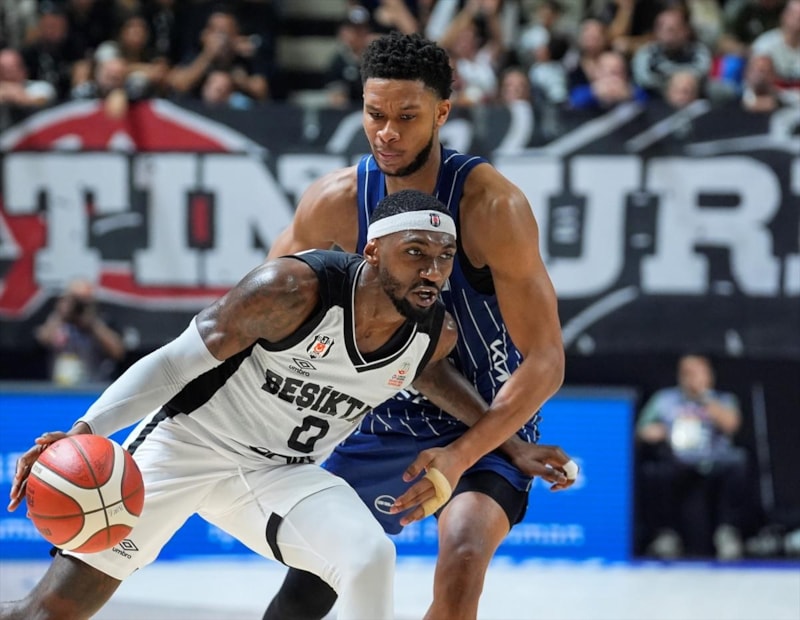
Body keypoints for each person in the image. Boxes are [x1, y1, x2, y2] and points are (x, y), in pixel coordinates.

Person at [1, 190, 575, 620]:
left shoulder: (431, 332)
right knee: (51, 611)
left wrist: (512, 445)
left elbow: (432, 377)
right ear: (373, 251)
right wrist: (84, 428)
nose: (432, 271)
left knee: (369, 556)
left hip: (279, 472)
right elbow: (173, 364)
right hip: (188, 446)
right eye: (415, 253)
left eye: (444, 257)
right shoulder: (292, 289)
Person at [263, 31, 569, 620]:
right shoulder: (335, 202)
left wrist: (474, 451)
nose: (387, 132)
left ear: (442, 113)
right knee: (306, 591)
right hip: (383, 416)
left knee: (462, 562)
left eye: (407, 117)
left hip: (488, 414)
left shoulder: (492, 207)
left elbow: (547, 359)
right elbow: (260, 307)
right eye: (375, 114)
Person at [637, 354, 752, 561]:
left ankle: (727, 531)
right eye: (687, 373)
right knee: (654, 471)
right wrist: (658, 431)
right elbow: (641, 430)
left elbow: (732, 425)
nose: (691, 378)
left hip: (714, 458)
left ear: (709, 376)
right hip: (677, 459)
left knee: (738, 461)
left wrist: (704, 396)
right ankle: (666, 534)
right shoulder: (664, 399)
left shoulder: (723, 399)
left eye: (697, 373)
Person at [34, 279, 126, 387]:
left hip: (93, 386)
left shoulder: (102, 320)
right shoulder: (57, 320)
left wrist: (92, 324)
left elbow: (118, 353)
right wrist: (61, 314)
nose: (78, 306)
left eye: (83, 300)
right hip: (60, 386)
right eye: (75, 300)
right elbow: (43, 339)